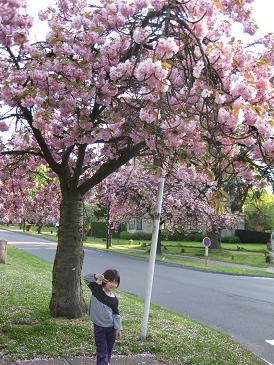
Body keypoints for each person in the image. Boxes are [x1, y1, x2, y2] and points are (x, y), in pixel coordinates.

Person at [84, 269, 122, 365]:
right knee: (102, 351)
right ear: (105, 280)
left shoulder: (114, 300)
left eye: (115, 282)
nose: (113, 284)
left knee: (108, 350)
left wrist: (118, 328)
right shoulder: (96, 289)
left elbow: (116, 314)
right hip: (99, 327)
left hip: (111, 328)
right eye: (111, 281)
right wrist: (96, 276)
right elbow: (86, 278)